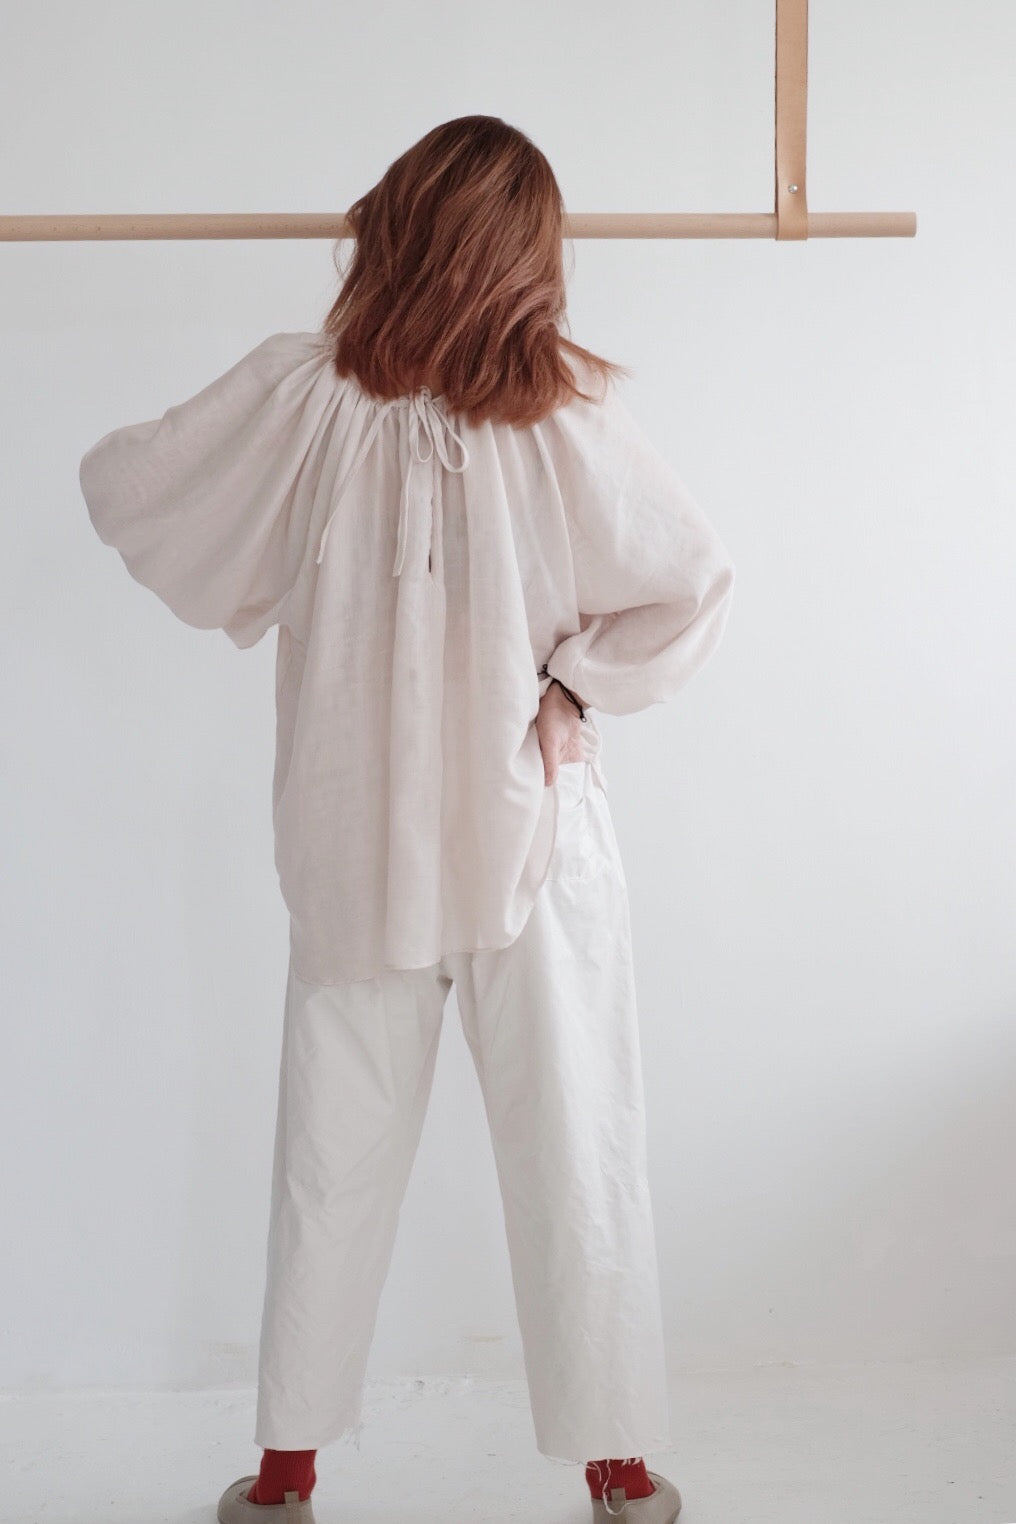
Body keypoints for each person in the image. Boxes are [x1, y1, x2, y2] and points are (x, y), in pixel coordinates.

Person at [79, 115, 735, 1524]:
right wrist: (573, 683)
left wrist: (572, 678)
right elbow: (692, 581)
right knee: (564, 1141)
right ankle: (609, 1465)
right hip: (510, 832)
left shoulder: (315, 397)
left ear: (397, 225)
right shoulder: (540, 413)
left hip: (382, 832)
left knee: (352, 1149)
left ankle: (289, 1473)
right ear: (524, 258)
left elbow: (129, 483)